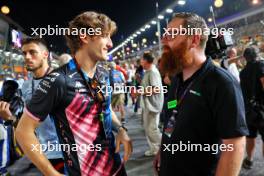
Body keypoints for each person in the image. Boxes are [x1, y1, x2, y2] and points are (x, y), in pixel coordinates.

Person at [15, 11, 132, 176]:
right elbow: (23, 131)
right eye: (105, 36)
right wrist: (51, 173)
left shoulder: (102, 74)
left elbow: (105, 107)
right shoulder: (57, 80)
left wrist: (120, 129)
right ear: (85, 37)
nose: (110, 43)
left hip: (116, 167)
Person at [155, 12, 248, 176]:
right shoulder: (176, 78)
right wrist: (163, 151)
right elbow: (172, 118)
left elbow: (234, 144)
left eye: (171, 34)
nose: (164, 40)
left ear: (195, 40)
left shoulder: (221, 82)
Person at [133, 52, 164, 156]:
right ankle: (154, 149)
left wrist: (139, 92)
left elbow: (155, 89)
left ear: (146, 61)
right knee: (147, 128)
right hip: (148, 104)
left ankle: (166, 146)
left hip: (153, 105)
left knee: (152, 130)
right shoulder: (148, 71)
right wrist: (140, 81)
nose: (140, 61)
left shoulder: (153, 72)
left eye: (142, 59)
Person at [240, 46, 264, 169]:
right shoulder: (261, 65)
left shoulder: (242, 72)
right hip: (261, 109)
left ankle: (249, 159)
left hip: (249, 111)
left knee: (250, 137)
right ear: (257, 55)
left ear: (245, 58)